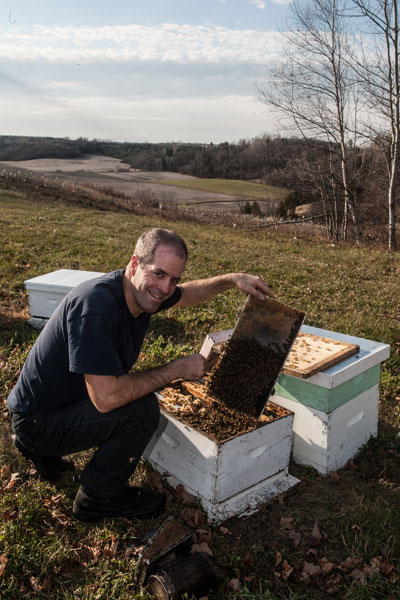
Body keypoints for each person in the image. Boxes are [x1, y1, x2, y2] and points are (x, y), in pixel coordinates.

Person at [7, 228, 273, 522]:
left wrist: (232, 279)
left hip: (48, 406)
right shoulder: (96, 308)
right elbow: (107, 399)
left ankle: (39, 449)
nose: (165, 288)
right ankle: (97, 499)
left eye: (174, 279)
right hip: (37, 421)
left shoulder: (137, 292)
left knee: (129, 395)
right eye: (159, 274)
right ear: (134, 265)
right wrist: (175, 370)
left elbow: (186, 295)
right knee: (140, 411)